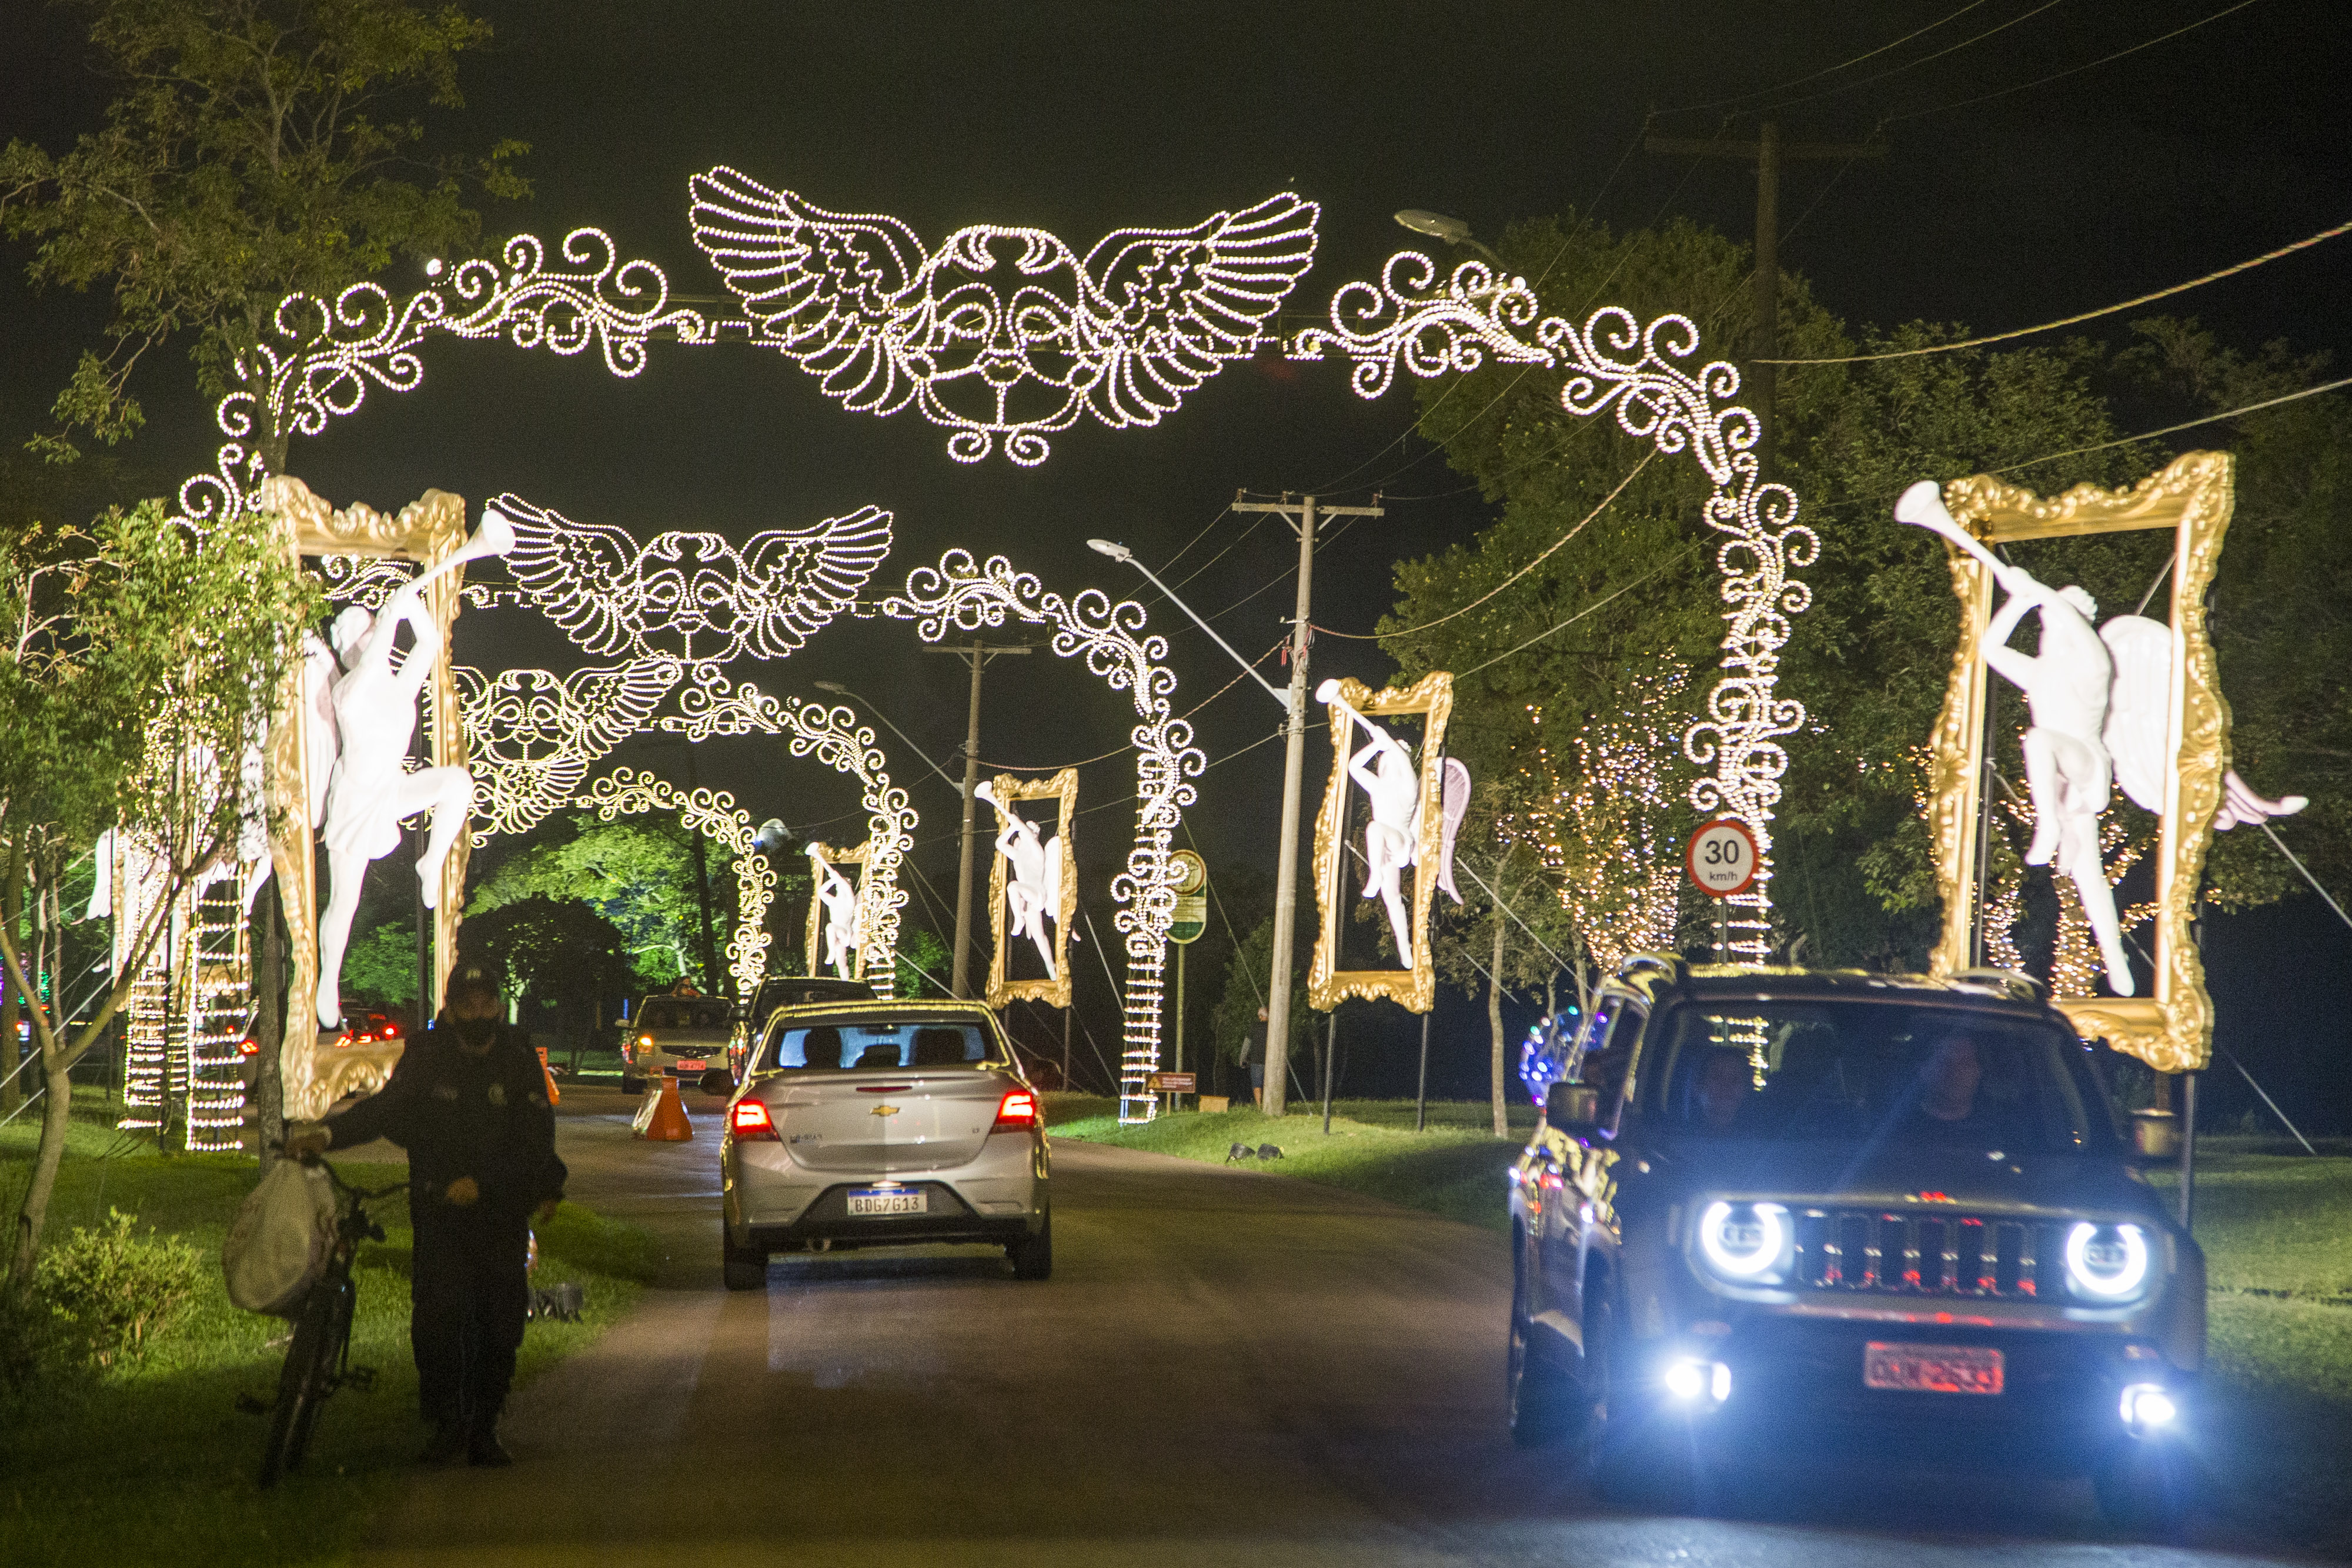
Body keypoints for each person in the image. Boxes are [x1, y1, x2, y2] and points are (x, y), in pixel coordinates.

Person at [286, 962, 567, 1467]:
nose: (478, 1013)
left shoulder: (518, 1056)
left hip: (500, 1211)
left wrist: (511, 1186)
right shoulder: (427, 1054)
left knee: (500, 1323)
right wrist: (326, 1135)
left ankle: (485, 1425)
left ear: (498, 1006)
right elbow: (385, 1110)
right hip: (440, 1210)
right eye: (469, 1004)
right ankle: (446, 1423)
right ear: (453, 1009)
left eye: (486, 1003)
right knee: (438, 1320)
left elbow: (535, 1138)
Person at [1242, 1005, 1269, 1109]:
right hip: (1269, 1060)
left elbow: (1247, 1044)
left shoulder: (1254, 1027)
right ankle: (1268, 1105)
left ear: (1261, 1016)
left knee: (1257, 1084)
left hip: (1257, 1060)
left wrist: (1243, 1059)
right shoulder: (1272, 1027)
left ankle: (1259, 1105)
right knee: (1268, 1083)